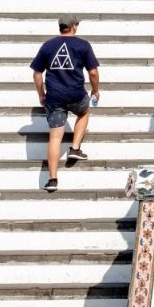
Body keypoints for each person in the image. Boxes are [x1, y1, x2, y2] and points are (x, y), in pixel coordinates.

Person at [29, 19, 100, 193]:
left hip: (54, 97)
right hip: (76, 94)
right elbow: (93, 72)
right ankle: (75, 148)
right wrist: (95, 91)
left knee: (55, 138)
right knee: (84, 112)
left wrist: (41, 94)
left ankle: (52, 179)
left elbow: (37, 74)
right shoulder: (83, 45)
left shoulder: (48, 45)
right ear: (74, 26)